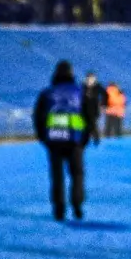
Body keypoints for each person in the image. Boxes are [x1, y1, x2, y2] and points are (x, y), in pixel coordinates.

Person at [35, 61, 90, 221]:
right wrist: (85, 137)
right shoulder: (80, 92)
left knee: (57, 176)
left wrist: (43, 137)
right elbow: (88, 116)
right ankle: (77, 205)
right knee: (77, 174)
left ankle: (59, 209)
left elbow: (38, 117)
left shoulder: (47, 93)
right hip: (75, 140)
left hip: (54, 139)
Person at [82, 71, 104, 147]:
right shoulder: (82, 86)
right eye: (89, 78)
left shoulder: (98, 86)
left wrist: (103, 104)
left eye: (92, 78)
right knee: (85, 125)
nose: (90, 80)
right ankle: (85, 141)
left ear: (94, 79)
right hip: (84, 109)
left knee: (93, 125)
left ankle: (96, 140)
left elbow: (105, 95)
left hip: (94, 110)